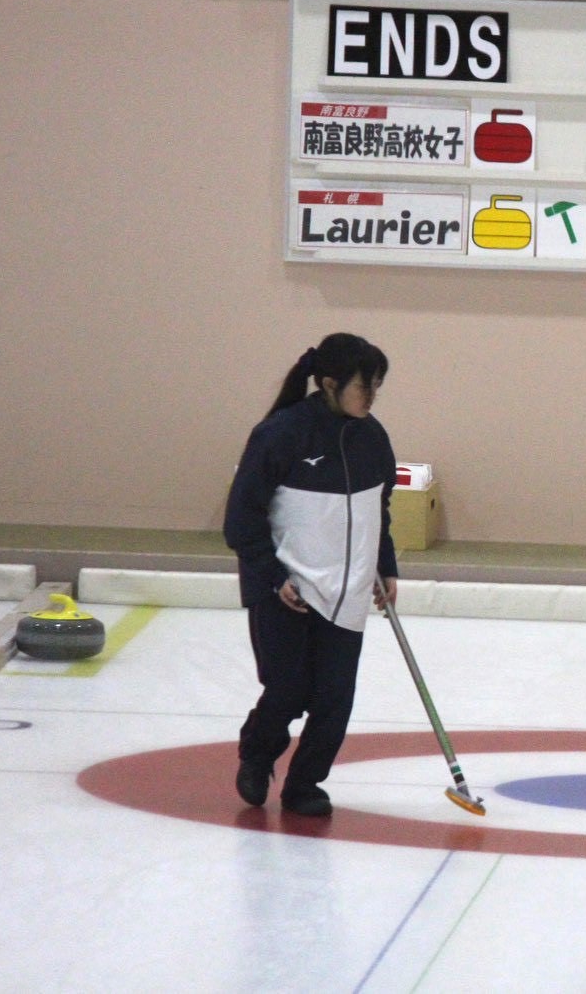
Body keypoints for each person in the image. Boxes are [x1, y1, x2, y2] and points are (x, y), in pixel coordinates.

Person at [223, 332, 400, 817]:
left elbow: (378, 509)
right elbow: (241, 519)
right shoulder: (281, 434)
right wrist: (271, 575)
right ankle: (257, 755)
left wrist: (385, 565)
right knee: (289, 689)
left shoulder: (373, 438)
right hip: (286, 591)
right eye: (364, 386)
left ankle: (304, 784)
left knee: (334, 699)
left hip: (348, 592)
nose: (372, 396)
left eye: (377, 386)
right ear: (329, 383)